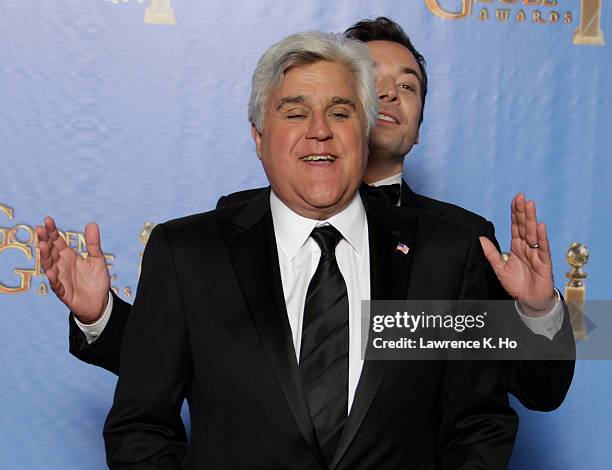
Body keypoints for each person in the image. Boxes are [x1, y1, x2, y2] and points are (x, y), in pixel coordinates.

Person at [37, 17, 573, 414]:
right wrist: (103, 315)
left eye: (407, 85)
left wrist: (538, 314)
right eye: (371, 76)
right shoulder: (231, 226)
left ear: (420, 119)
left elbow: (525, 391)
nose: (388, 92)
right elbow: (189, 362)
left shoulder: (460, 242)